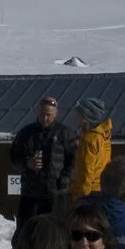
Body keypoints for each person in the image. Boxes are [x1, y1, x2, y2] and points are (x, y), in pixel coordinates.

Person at [10, 96, 76, 225]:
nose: (45, 118)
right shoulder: (26, 133)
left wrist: (64, 180)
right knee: (27, 231)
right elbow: (14, 156)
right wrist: (26, 163)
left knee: (54, 233)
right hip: (30, 193)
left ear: (56, 114)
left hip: (55, 194)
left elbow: (73, 160)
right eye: (42, 114)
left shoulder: (65, 133)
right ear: (37, 111)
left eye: (49, 115)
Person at [70, 97, 113, 199]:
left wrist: (80, 196)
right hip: (102, 189)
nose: (76, 117)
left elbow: (87, 171)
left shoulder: (89, 139)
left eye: (79, 114)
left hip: (88, 193)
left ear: (86, 116)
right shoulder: (103, 136)